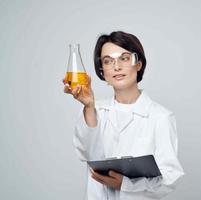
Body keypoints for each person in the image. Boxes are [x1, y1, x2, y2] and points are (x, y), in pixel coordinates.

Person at [63, 31, 184, 200]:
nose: (116, 67)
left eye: (124, 58)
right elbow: (85, 153)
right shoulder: (94, 110)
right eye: (107, 61)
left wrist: (126, 185)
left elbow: (170, 177)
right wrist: (89, 106)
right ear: (102, 71)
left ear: (138, 64)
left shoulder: (160, 117)